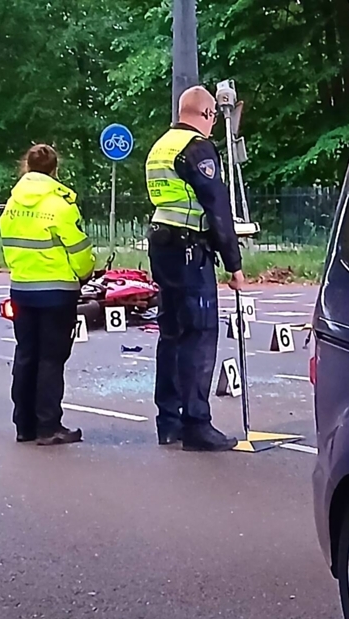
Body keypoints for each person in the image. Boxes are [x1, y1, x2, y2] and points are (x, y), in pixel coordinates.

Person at [146, 85, 245, 451]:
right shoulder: (196, 148)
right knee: (200, 334)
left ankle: (168, 422)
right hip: (190, 250)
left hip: (163, 246)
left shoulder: (160, 146)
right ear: (206, 115)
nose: (214, 124)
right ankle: (197, 424)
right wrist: (233, 264)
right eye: (214, 117)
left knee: (170, 333)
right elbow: (217, 206)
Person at [0, 144, 95, 446]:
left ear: (26, 167)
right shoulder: (61, 205)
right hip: (56, 291)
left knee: (26, 355)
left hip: (22, 287)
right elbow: (79, 251)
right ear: (55, 169)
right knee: (51, 359)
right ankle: (48, 426)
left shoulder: (12, 203)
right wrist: (85, 273)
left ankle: (24, 425)